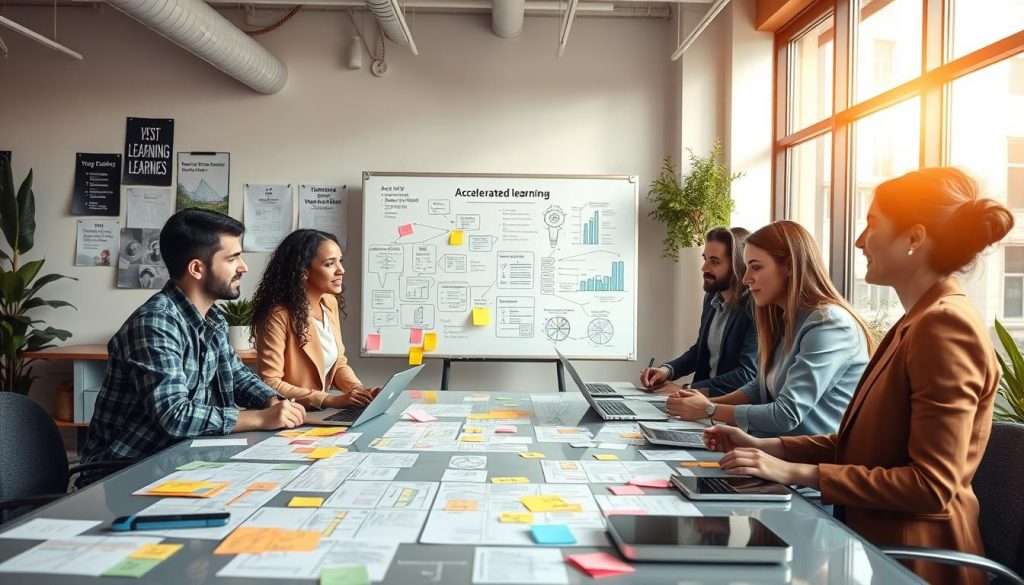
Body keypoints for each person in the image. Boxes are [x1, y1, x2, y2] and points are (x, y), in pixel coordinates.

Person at [703, 168, 1013, 585]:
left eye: (872, 224)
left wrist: (796, 472)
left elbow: (929, 485)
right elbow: (862, 446)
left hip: (914, 562)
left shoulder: (944, 327)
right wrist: (766, 446)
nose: (859, 241)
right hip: (873, 544)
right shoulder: (917, 321)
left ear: (915, 239)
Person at [80, 210, 306, 483]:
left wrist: (272, 401)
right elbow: (175, 415)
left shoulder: (213, 318)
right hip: (125, 475)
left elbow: (235, 375)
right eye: (233, 258)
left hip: (180, 462)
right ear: (197, 268)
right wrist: (261, 419)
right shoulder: (155, 323)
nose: (243, 267)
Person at [666, 221, 873, 436]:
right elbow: (760, 387)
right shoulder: (783, 317)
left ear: (790, 267)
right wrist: (701, 404)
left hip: (805, 462)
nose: (745, 279)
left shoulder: (829, 324)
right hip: (769, 451)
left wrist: (710, 410)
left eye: (756, 267)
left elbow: (786, 415)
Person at [252, 229, 377, 410]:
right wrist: (329, 400)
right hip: (288, 415)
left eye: (340, 261)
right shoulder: (278, 316)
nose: (341, 270)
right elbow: (270, 382)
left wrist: (359, 391)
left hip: (316, 415)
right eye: (329, 264)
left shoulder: (329, 303)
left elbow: (338, 363)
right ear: (303, 271)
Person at [639, 227, 757, 396]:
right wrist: (667, 371)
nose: (704, 268)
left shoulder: (754, 308)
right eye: (705, 259)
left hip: (727, 408)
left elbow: (747, 375)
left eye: (714, 262)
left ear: (737, 265)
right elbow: (700, 352)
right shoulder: (711, 299)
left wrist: (687, 390)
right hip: (697, 405)